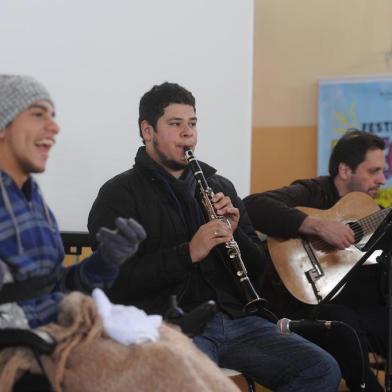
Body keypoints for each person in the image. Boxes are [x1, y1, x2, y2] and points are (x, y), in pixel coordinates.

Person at [88, 81, 342, 391]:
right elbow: (113, 282)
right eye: (175, 124)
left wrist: (237, 235)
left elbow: (258, 268)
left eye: (192, 123)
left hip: (238, 320)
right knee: (197, 385)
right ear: (147, 130)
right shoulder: (119, 194)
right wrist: (188, 253)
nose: (188, 133)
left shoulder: (219, 185)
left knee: (320, 369)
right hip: (172, 326)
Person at [0, 74, 146, 390]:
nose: (54, 128)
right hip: (23, 352)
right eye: (38, 114)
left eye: (53, 117)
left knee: (170, 356)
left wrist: (104, 262)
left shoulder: (32, 198)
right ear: (3, 125)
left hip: (52, 337)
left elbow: (55, 287)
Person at [244, 130, 388, 391]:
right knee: (343, 324)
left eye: (383, 171)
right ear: (345, 170)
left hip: (348, 304)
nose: (382, 179)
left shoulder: (372, 212)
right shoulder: (313, 192)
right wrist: (318, 227)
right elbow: (253, 205)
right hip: (294, 304)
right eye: (374, 171)